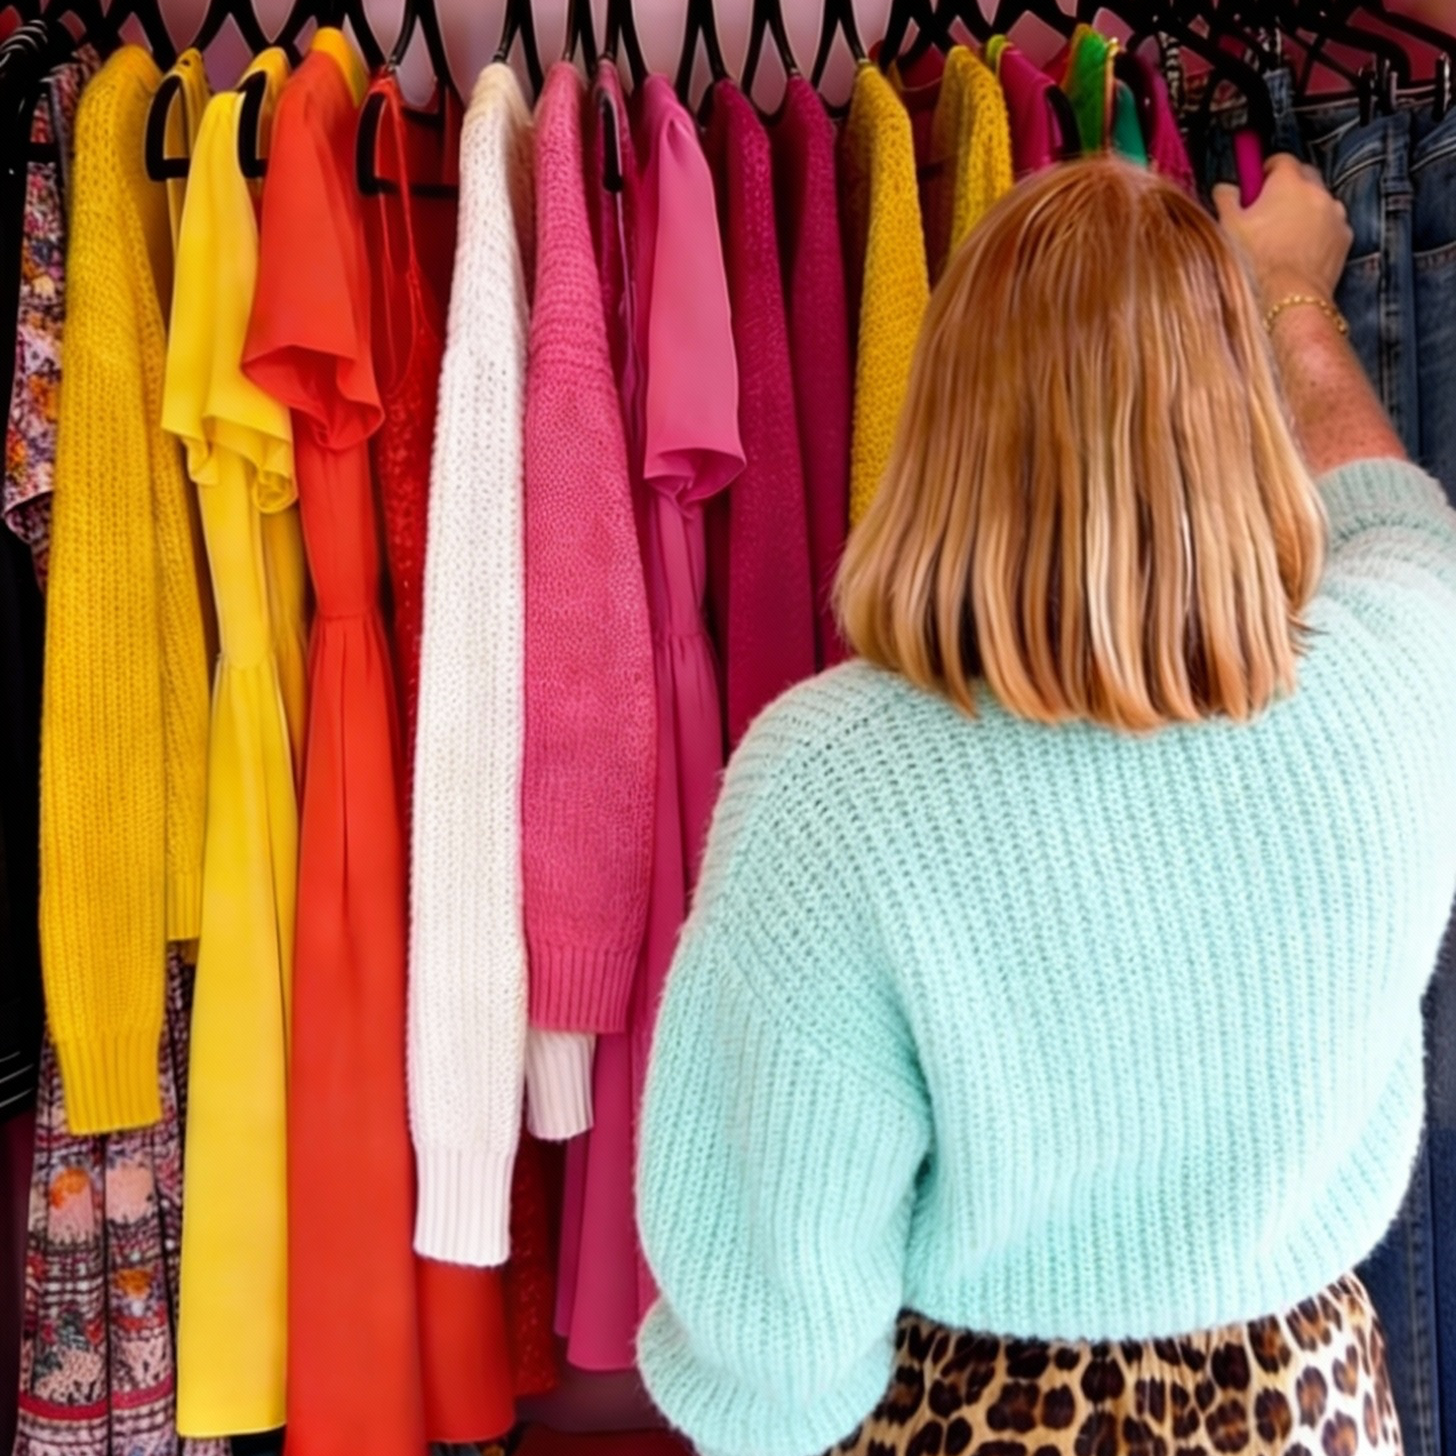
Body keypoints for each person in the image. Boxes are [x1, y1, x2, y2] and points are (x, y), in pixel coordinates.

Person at [634, 155, 1456, 1456]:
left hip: (969, 1416)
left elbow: (780, 1318)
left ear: (946, 414)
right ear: (1232, 420)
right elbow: (1393, 515)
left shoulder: (833, 790)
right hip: (1309, 1408)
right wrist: (1293, 297)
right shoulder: (1401, 680)